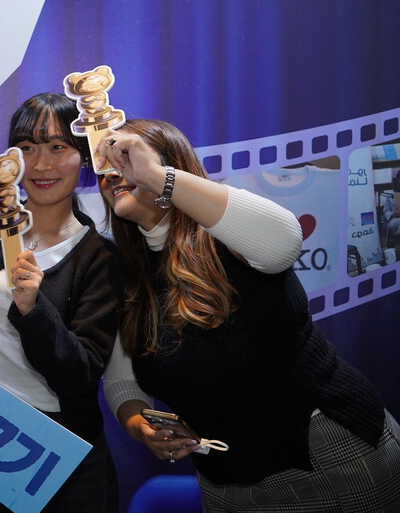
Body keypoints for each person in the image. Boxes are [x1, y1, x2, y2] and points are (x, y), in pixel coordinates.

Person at [98, 118, 400, 512]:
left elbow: (284, 241)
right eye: (105, 164)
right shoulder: (126, 276)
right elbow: (122, 381)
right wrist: (143, 427)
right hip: (223, 483)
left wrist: (156, 177)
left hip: (329, 456)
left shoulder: (225, 229)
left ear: (170, 163)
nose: (114, 172)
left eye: (126, 157)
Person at [0, 92, 124, 513]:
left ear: (84, 157)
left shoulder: (101, 258)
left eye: (58, 147)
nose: (42, 164)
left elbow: (81, 373)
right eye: (27, 148)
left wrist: (34, 310)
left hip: (54, 455)